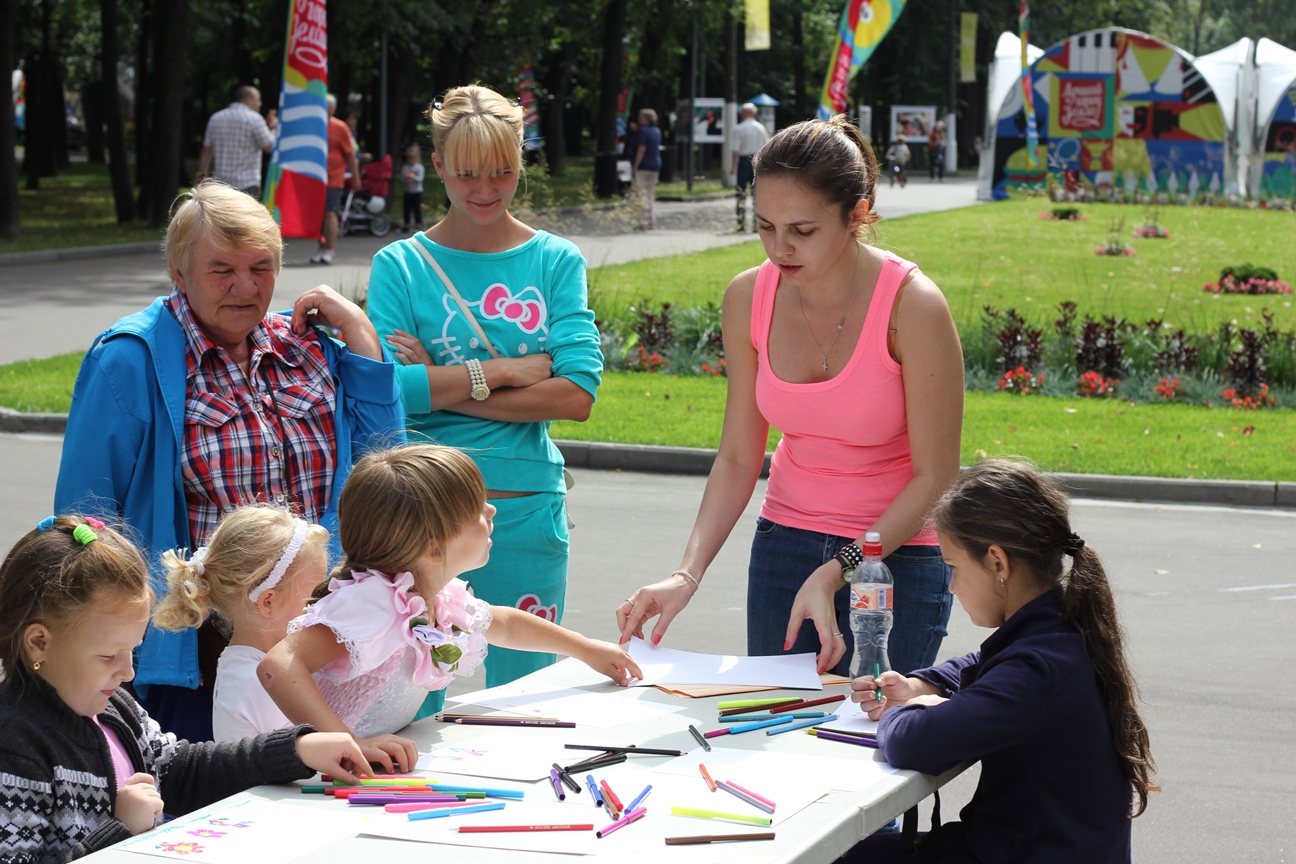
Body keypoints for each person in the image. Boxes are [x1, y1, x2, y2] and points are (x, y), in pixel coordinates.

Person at [53, 181, 405, 743]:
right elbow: (85, 518)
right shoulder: (128, 360)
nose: (245, 287)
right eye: (222, 270)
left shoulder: (307, 346)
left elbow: (386, 463)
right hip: (199, 640)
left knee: (320, 792)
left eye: (261, 268)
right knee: (208, 802)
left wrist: (360, 335)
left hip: (318, 627)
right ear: (178, 270)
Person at [617, 117, 963, 681]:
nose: (780, 248)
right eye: (765, 227)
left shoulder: (912, 305)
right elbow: (737, 456)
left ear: (858, 214)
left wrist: (840, 569)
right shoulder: (748, 295)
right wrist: (686, 574)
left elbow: (936, 475)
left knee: (871, 744)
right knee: (776, 734)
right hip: (786, 543)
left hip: (896, 553)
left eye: (802, 230)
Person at [366, 84, 603, 719]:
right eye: (467, 172)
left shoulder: (555, 260)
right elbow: (391, 392)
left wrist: (445, 386)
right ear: (437, 164)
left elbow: (577, 394)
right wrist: (505, 371)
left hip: (525, 515)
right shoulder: (401, 265)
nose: (486, 188)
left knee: (526, 711)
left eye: (502, 170)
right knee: (409, 717)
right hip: (421, 520)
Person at [0, 515, 376, 862]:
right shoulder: (14, 745)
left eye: (131, 650)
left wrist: (296, 748)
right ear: (39, 643)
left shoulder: (115, 710)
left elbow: (181, 769)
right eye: (108, 655)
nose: (127, 671)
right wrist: (121, 830)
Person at [842, 460, 1157, 862]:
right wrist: (921, 686)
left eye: (953, 567)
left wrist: (903, 712)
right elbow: (978, 664)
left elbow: (915, 744)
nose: (952, 586)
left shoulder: (1036, 669)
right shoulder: (1062, 629)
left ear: (997, 563)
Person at [256, 445, 642, 771]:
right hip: (313, 772)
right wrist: (345, 741)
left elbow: (504, 624)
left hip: (371, 767)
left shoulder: (439, 597)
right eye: (476, 508)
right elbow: (278, 665)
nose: (491, 511)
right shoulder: (372, 601)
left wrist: (586, 649)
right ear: (433, 546)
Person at [154, 507, 329, 743]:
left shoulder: (253, 665)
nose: (320, 608)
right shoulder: (256, 682)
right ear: (268, 602)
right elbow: (323, 748)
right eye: (311, 599)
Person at [196, 85, 277, 197]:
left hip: (221, 185)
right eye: (258, 100)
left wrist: (201, 175)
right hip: (247, 185)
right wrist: (273, 128)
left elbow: (206, 149)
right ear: (249, 100)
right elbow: (269, 147)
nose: (260, 103)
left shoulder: (216, 118)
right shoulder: (255, 119)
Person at [311, 95, 361, 265]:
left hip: (333, 178)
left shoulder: (340, 127)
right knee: (317, 215)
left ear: (331, 109)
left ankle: (329, 249)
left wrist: (356, 177)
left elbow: (350, 155)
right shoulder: (313, 125)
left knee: (329, 213)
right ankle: (321, 248)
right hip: (315, 179)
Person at [731, 102, 770, 232]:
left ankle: (740, 223)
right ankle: (756, 224)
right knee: (756, 195)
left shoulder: (738, 128)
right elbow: (766, 147)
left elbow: (735, 149)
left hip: (743, 160)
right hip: (757, 161)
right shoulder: (761, 128)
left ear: (745, 113)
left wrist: (733, 166)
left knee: (740, 192)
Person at [631, 108, 662, 229]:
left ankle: (642, 221)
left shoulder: (642, 131)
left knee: (640, 193)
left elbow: (641, 149)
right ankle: (651, 220)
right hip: (655, 164)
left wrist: (636, 165)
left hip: (643, 165)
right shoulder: (656, 131)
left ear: (645, 119)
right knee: (650, 193)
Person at [400, 144, 425, 233]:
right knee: (406, 209)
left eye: (412, 158)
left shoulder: (419, 167)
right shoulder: (406, 167)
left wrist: (412, 176)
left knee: (416, 209)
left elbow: (420, 179)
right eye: (409, 158)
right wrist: (404, 177)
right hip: (408, 191)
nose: (410, 160)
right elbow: (402, 179)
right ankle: (406, 224)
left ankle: (418, 224)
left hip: (416, 192)